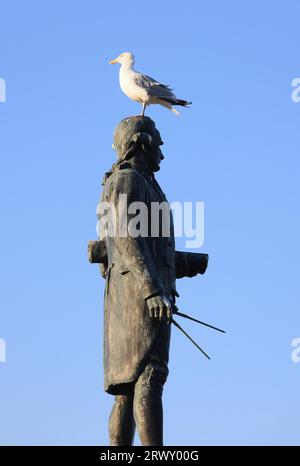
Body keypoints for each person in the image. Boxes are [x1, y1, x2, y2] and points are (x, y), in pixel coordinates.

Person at [99, 116, 176, 446]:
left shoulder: (144, 184)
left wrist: (183, 264)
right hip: (139, 297)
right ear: (142, 142)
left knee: (130, 386)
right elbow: (127, 237)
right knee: (147, 375)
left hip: (144, 292)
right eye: (159, 142)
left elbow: (143, 245)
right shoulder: (127, 180)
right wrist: (152, 290)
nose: (162, 151)